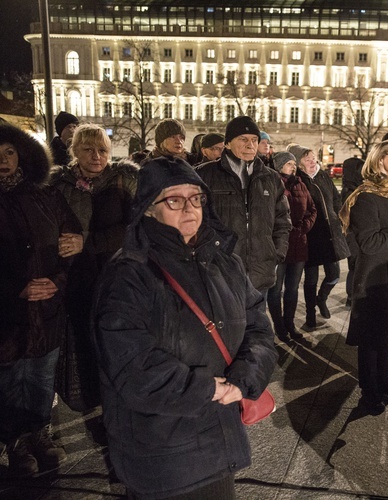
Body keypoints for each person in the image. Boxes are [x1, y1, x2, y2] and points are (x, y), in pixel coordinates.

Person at [91, 156, 278, 498]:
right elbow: (133, 367)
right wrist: (207, 389)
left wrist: (244, 380)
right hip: (163, 455)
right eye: (174, 200)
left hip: (218, 441)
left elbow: (258, 326)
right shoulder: (129, 274)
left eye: (196, 198)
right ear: (149, 209)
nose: (189, 208)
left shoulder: (223, 260)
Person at [0, 123, 82, 476]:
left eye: (9, 152)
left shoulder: (45, 195)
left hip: (47, 308)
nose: (2, 160)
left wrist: (60, 275)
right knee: (9, 380)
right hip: (7, 314)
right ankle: (14, 441)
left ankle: (39, 432)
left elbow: (70, 234)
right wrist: (17, 287)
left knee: (39, 378)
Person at [49, 124, 139, 410]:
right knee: (79, 340)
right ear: (74, 151)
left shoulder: (124, 181)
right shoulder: (57, 184)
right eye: (88, 149)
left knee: (113, 342)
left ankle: (114, 404)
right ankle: (86, 399)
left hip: (116, 277)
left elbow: (138, 228)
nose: (96, 156)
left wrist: (88, 241)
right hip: (73, 278)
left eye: (102, 150)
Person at [338, 140, 388, 415]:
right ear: (378, 160)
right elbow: (369, 243)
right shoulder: (366, 197)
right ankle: (369, 393)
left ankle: (384, 384)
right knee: (373, 340)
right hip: (376, 281)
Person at [197, 115, 291, 294]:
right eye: (243, 139)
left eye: (255, 140)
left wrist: (276, 254)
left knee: (258, 322)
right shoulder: (206, 175)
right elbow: (195, 222)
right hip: (221, 275)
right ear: (227, 143)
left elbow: (282, 221)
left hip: (260, 276)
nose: (250, 145)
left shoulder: (271, 178)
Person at [288, 144, 350, 329]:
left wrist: (339, 219)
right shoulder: (298, 181)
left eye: (313, 157)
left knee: (334, 275)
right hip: (312, 236)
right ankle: (310, 316)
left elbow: (336, 199)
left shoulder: (323, 176)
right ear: (300, 164)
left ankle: (321, 299)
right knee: (311, 279)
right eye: (307, 159)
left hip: (331, 234)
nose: (312, 161)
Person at [267, 151, 317, 341]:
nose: (293, 166)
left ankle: (290, 325)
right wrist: (280, 231)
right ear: (279, 165)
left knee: (292, 288)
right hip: (279, 244)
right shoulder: (272, 183)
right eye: (289, 163)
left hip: (299, 243)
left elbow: (312, 209)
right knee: (275, 288)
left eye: (294, 164)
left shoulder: (300, 184)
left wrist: (303, 227)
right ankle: (279, 327)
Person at [340, 156, 365, 306]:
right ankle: (352, 296)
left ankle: (354, 295)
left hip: (356, 234)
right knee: (355, 266)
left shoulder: (356, 187)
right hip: (352, 235)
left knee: (356, 266)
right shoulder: (349, 191)